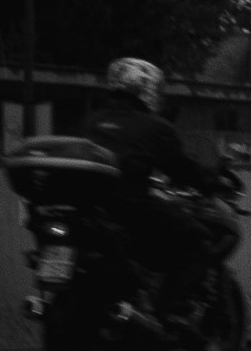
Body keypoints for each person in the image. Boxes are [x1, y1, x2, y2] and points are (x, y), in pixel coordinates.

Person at [83, 57, 218, 328]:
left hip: (92, 211)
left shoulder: (91, 121)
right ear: (146, 89)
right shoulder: (154, 127)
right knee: (198, 240)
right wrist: (209, 181)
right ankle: (167, 312)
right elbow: (181, 169)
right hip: (130, 209)